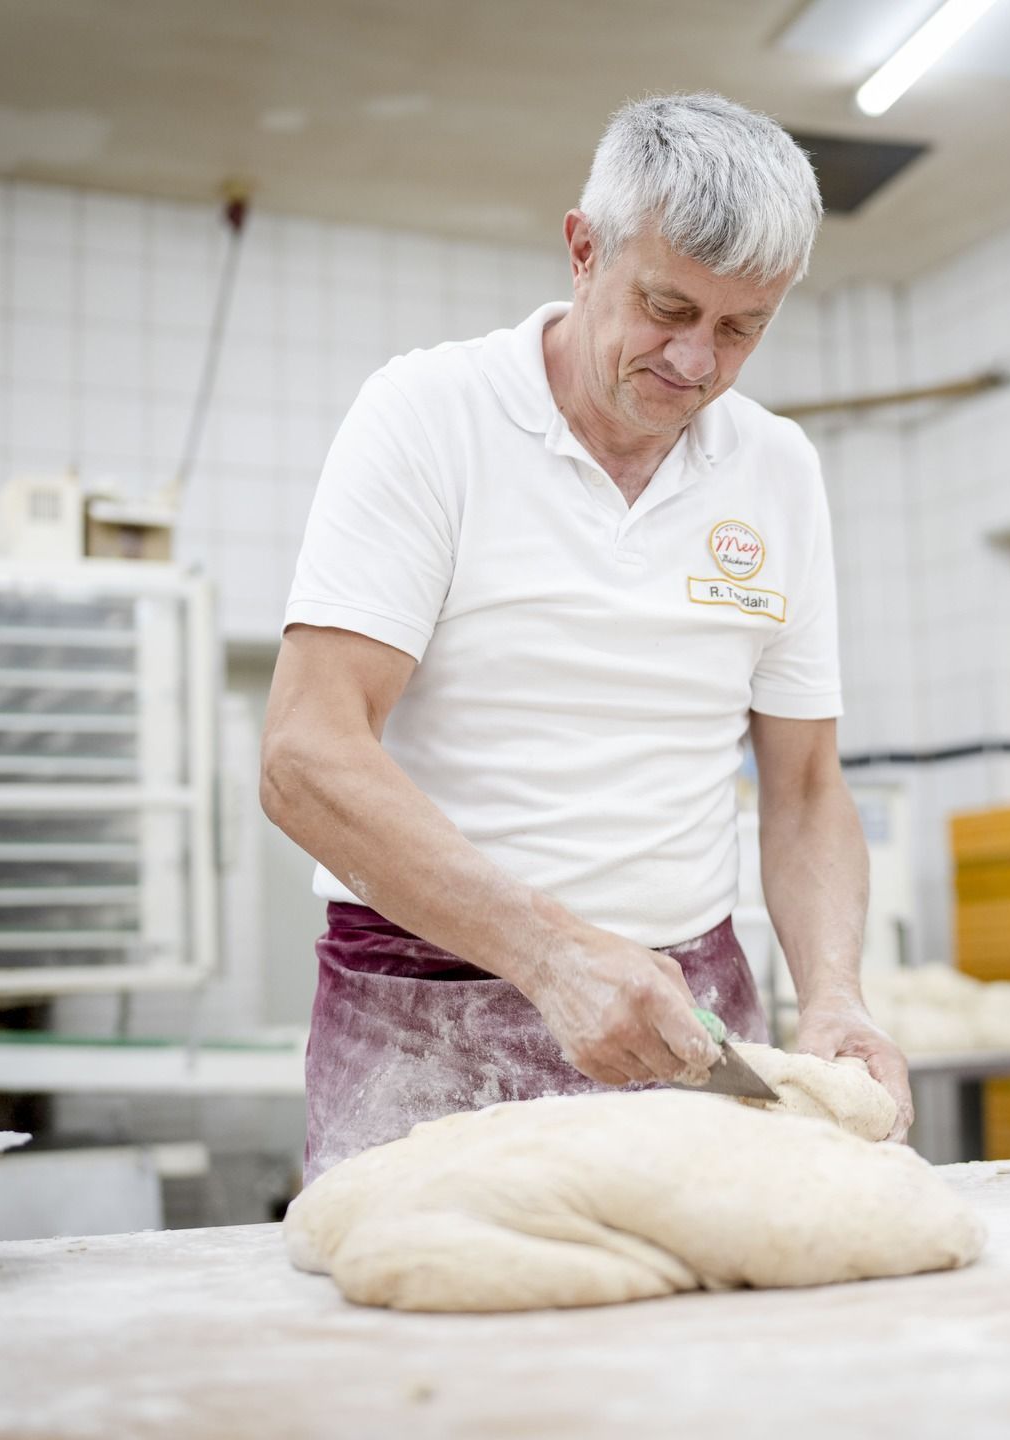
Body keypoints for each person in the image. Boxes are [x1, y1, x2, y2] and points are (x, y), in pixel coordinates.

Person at [261, 92, 909, 1181]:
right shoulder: (431, 415)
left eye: (742, 329)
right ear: (583, 250)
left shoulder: (777, 470)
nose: (696, 362)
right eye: (668, 307)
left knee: (715, 1289)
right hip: (430, 1008)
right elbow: (304, 755)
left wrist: (835, 998)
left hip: (695, 1013)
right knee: (429, 1289)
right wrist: (551, 956)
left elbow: (803, 789)